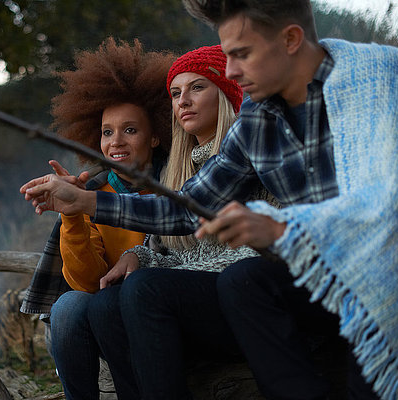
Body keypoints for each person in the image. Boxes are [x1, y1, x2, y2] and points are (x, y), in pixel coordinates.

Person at [20, 0, 398, 398]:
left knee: (241, 277)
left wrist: (282, 229)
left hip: (383, 275)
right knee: (242, 281)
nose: (233, 72)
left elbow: (392, 201)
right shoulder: (258, 116)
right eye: (228, 57)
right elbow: (186, 207)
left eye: (241, 55)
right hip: (310, 278)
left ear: (291, 39)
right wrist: (83, 203)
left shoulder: (378, 77)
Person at [86, 45, 277, 399]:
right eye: (175, 93)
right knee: (103, 305)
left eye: (197, 87)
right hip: (193, 302)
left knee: (145, 288)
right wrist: (139, 256)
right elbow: (167, 245)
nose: (183, 101)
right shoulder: (178, 170)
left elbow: (257, 251)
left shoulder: (251, 152)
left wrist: (158, 271)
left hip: (244, 300)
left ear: (225, 92)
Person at [20, 38, 174, 399]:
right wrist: (73, 216)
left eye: (130, 130)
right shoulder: (93, 192)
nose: (115, 142)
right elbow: (87, 284)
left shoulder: (178, 186)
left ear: (155, 137)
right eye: (107, 132)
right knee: (70, 305)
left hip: (159, 313)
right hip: (105, 310)